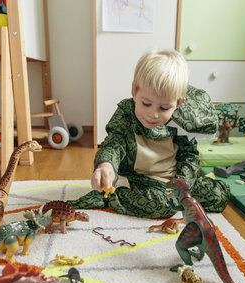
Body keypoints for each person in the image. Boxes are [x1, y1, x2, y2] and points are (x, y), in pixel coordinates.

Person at [68, 49, 230, 218]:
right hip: (143, 180)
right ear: (134, 91)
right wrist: (106, 165)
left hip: (176, 179)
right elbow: (113, 144)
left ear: (178, 103)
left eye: (164, 108)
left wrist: (182, 184)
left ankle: (178, 197)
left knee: (219, 196)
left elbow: (189, 155)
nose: (153, 114)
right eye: (146, 104)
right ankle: (111, 197)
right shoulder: (126, 114)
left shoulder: (180, 122)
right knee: (163, 206)